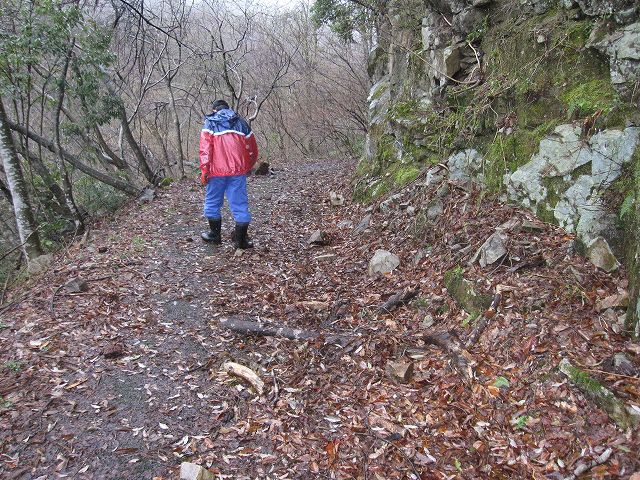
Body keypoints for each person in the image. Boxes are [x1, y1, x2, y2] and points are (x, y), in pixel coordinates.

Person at [199, 100, 258, 249]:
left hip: (216, 172)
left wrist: (205, 170)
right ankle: (240, 241)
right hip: (237, 171)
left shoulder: (210, 123)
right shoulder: (241, 123)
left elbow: (205, 149)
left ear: (214, 110)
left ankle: (215, 235)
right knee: (240, 205)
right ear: (228, 108)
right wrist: (247, 166)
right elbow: (252, 149)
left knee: (212, 203)